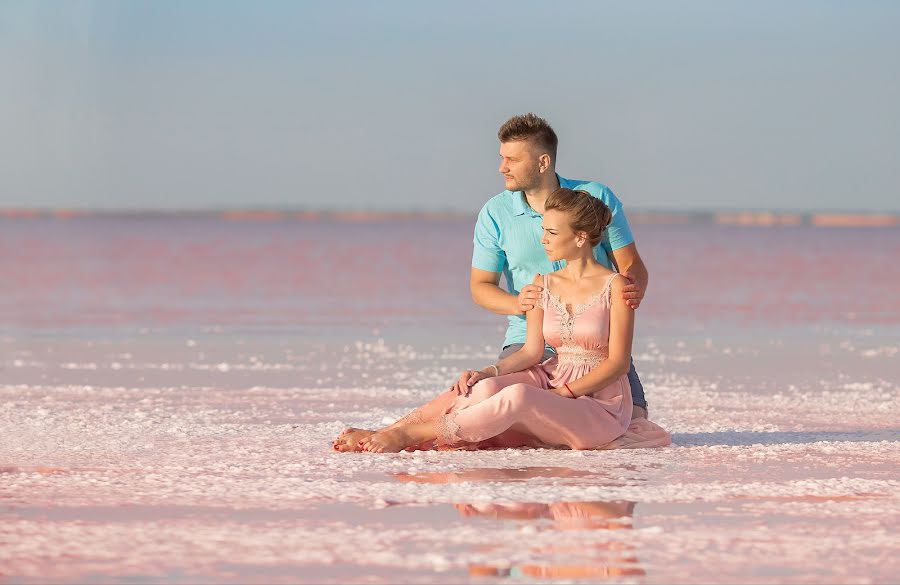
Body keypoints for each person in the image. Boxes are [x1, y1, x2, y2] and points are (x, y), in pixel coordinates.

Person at [333, 188, 669, 453]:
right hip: (552, 376)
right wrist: (486, 372)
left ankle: (408, 435)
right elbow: (532, 352)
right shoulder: (542, 283)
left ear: (580, 237)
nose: (543, 240)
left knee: (520, 397)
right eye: (543, 230)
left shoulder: (617, 287)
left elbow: (618, 363)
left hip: (600, 402)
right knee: (486, 389)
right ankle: (390, 430)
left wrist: (564, 395)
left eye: (552, 232)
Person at [471, 113, 652, 419]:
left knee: (633, 420)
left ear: (543, 163)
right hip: (529, 341)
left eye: (512, 160)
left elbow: (631, 264)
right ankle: (405, 432)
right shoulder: (494, 213)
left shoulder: (594, 197)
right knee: (491, 409)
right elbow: (480, 286)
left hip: (593, 341)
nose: (502, 168)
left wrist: (630, 289)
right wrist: (522, 304)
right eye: (502, 158)